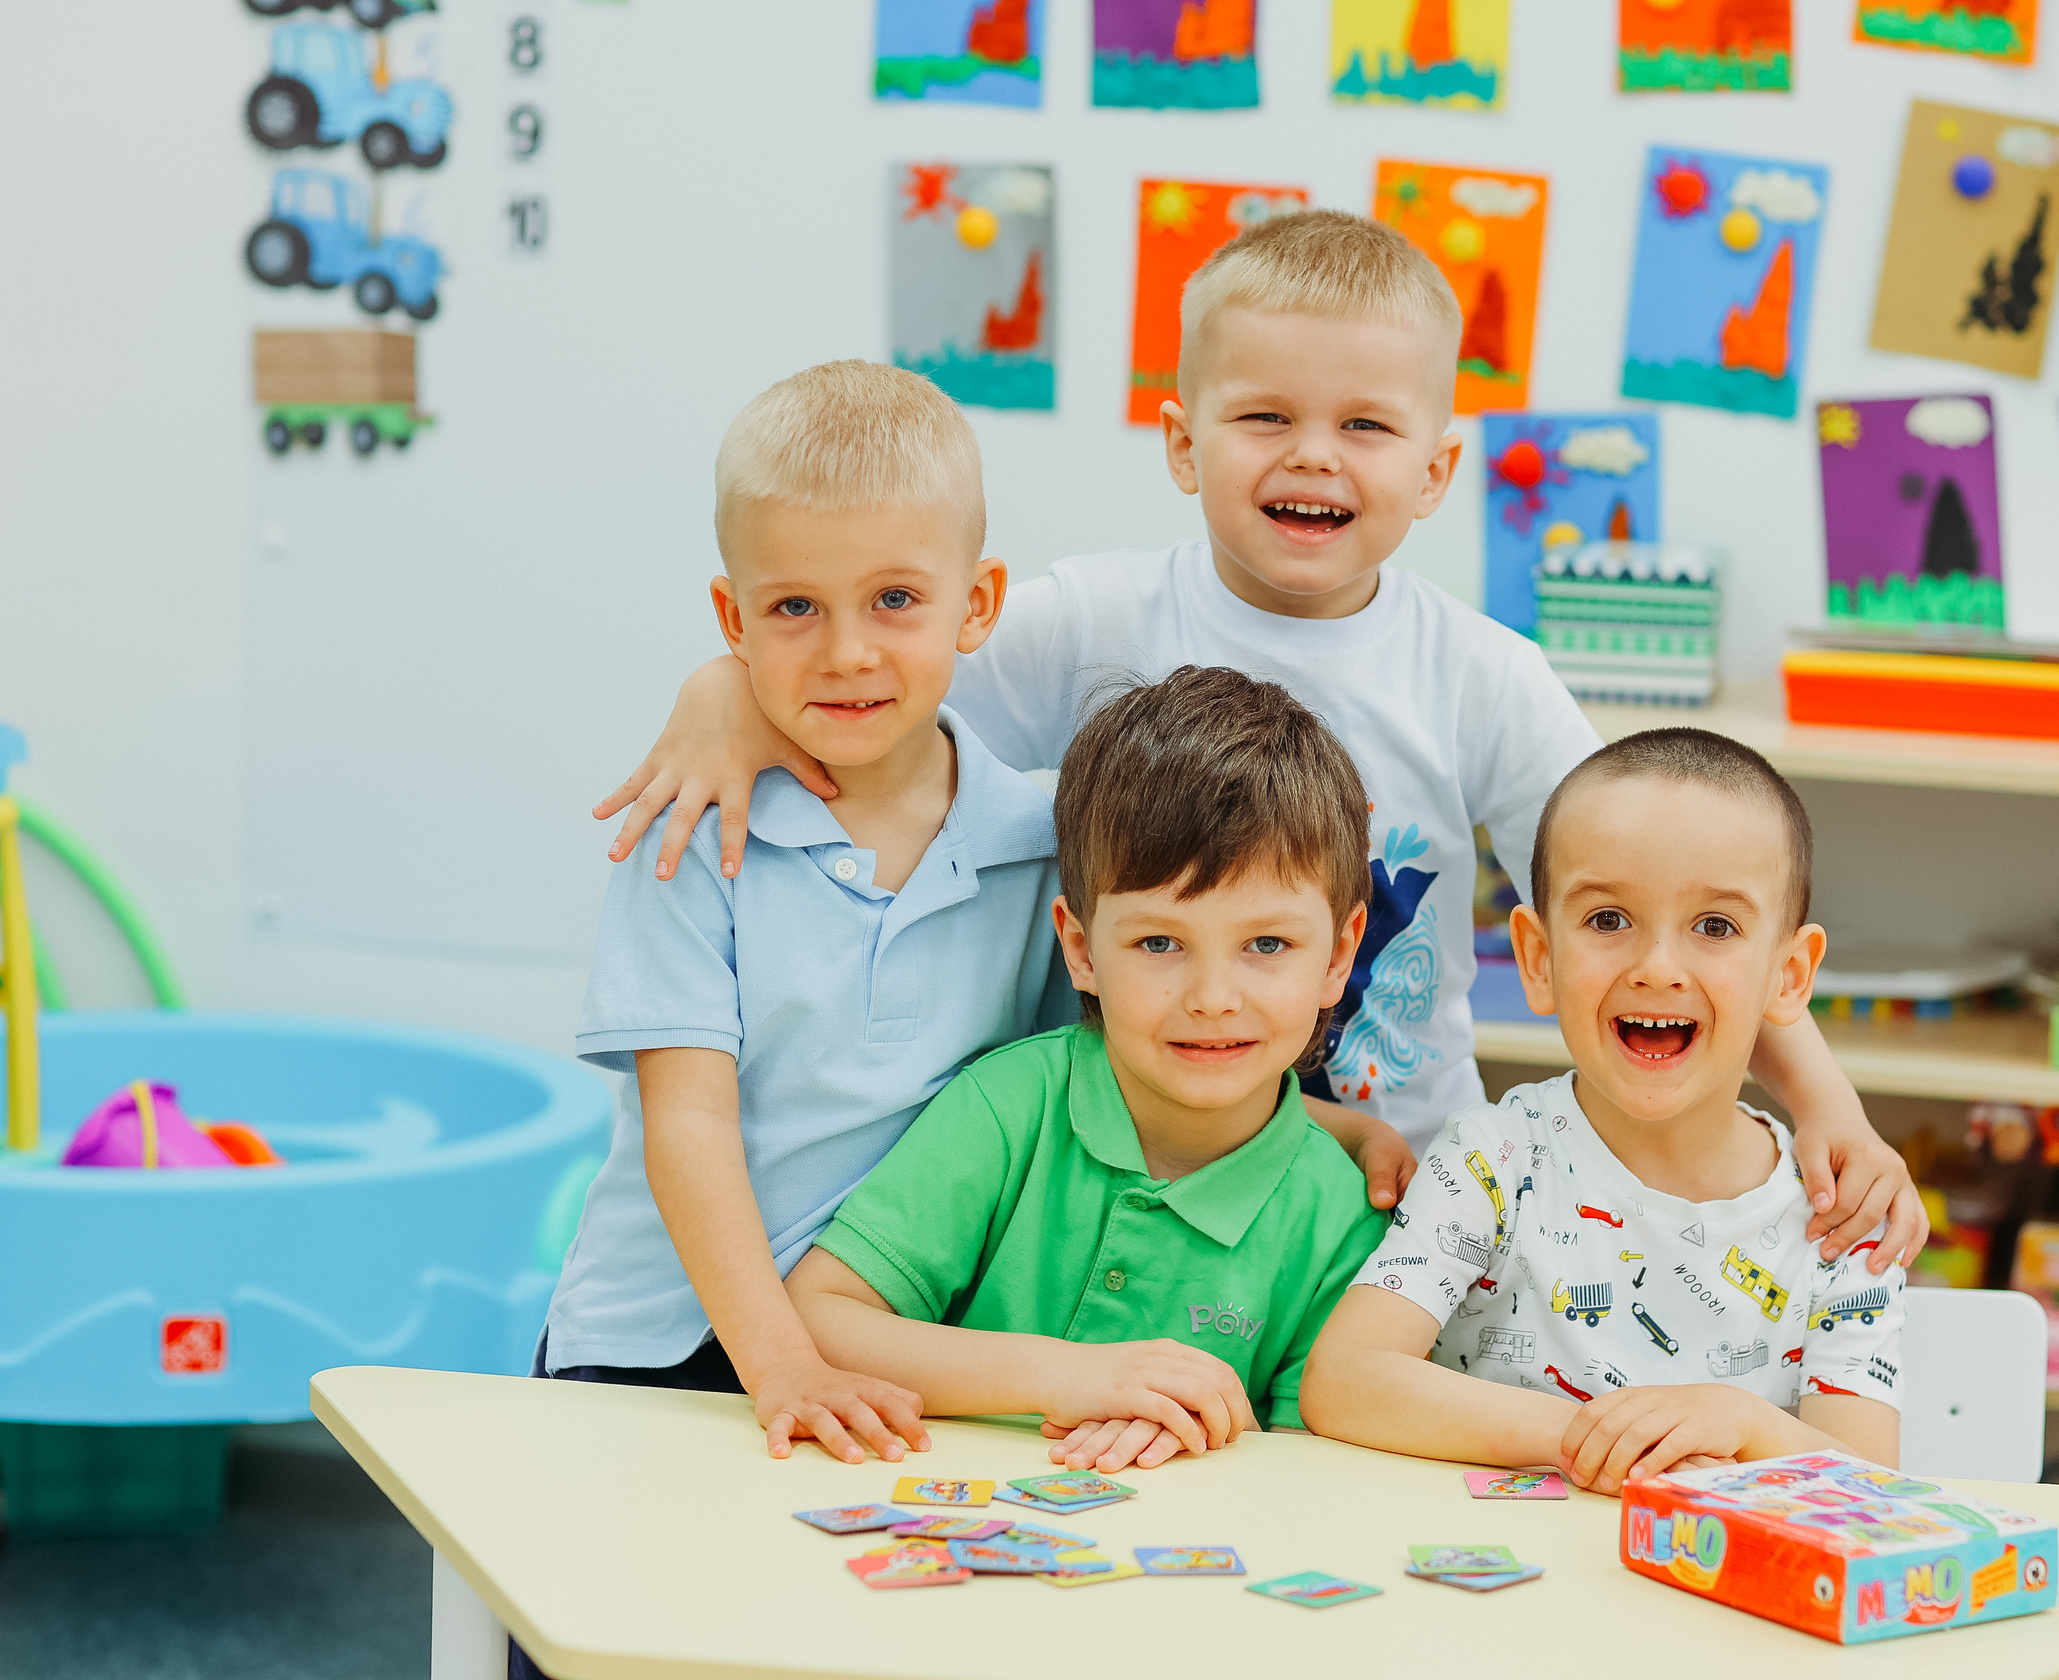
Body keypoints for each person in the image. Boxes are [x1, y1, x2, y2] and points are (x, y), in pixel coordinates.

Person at [593, 209, 1925, 1274]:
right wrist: (724, 691)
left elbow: (1678, 891)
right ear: (1182, 441)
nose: (1315, 456)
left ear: (1436, 470)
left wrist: (1822, 1099)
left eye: (1365, 425)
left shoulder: (1481, 676)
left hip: (1393, 1186)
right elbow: (870, 672)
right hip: (1125, 1179)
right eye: (1266, 416)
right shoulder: (1092, 620)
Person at [542, 358, 1074, 1469]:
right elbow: (687, 1121)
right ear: (733, 618)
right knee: (596, 1635)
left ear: (974, 605)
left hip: (896, 1345)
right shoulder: (688, 829)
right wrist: (780, 1363)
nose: (846, 652)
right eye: (794, 607)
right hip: (659, 1339)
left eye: (895, 599)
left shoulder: (1042, 846)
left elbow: (1072, 1092)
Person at [782, 667, 1388, 1472]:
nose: (1212, 998)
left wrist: (1200, 1425)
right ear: (1080, 948)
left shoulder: (1345, 1220)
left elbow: (1309, 1469)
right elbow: (818, 1315)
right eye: (1159, 943)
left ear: (1339, 954)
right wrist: (1068, 1375)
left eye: (1266, 945)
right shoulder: (1010, 1107)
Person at [1298, 729, 1903, 1492]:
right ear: (1538, 959)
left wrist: (1738, 1420)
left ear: (1789, 974)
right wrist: (1593, 1437)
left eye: (1715, 926)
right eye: (1608, 920)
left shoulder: (1841, 1219)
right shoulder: (1490, 1159)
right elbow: (1345, 1379)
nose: (1656, 968)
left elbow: (1874, 1488)